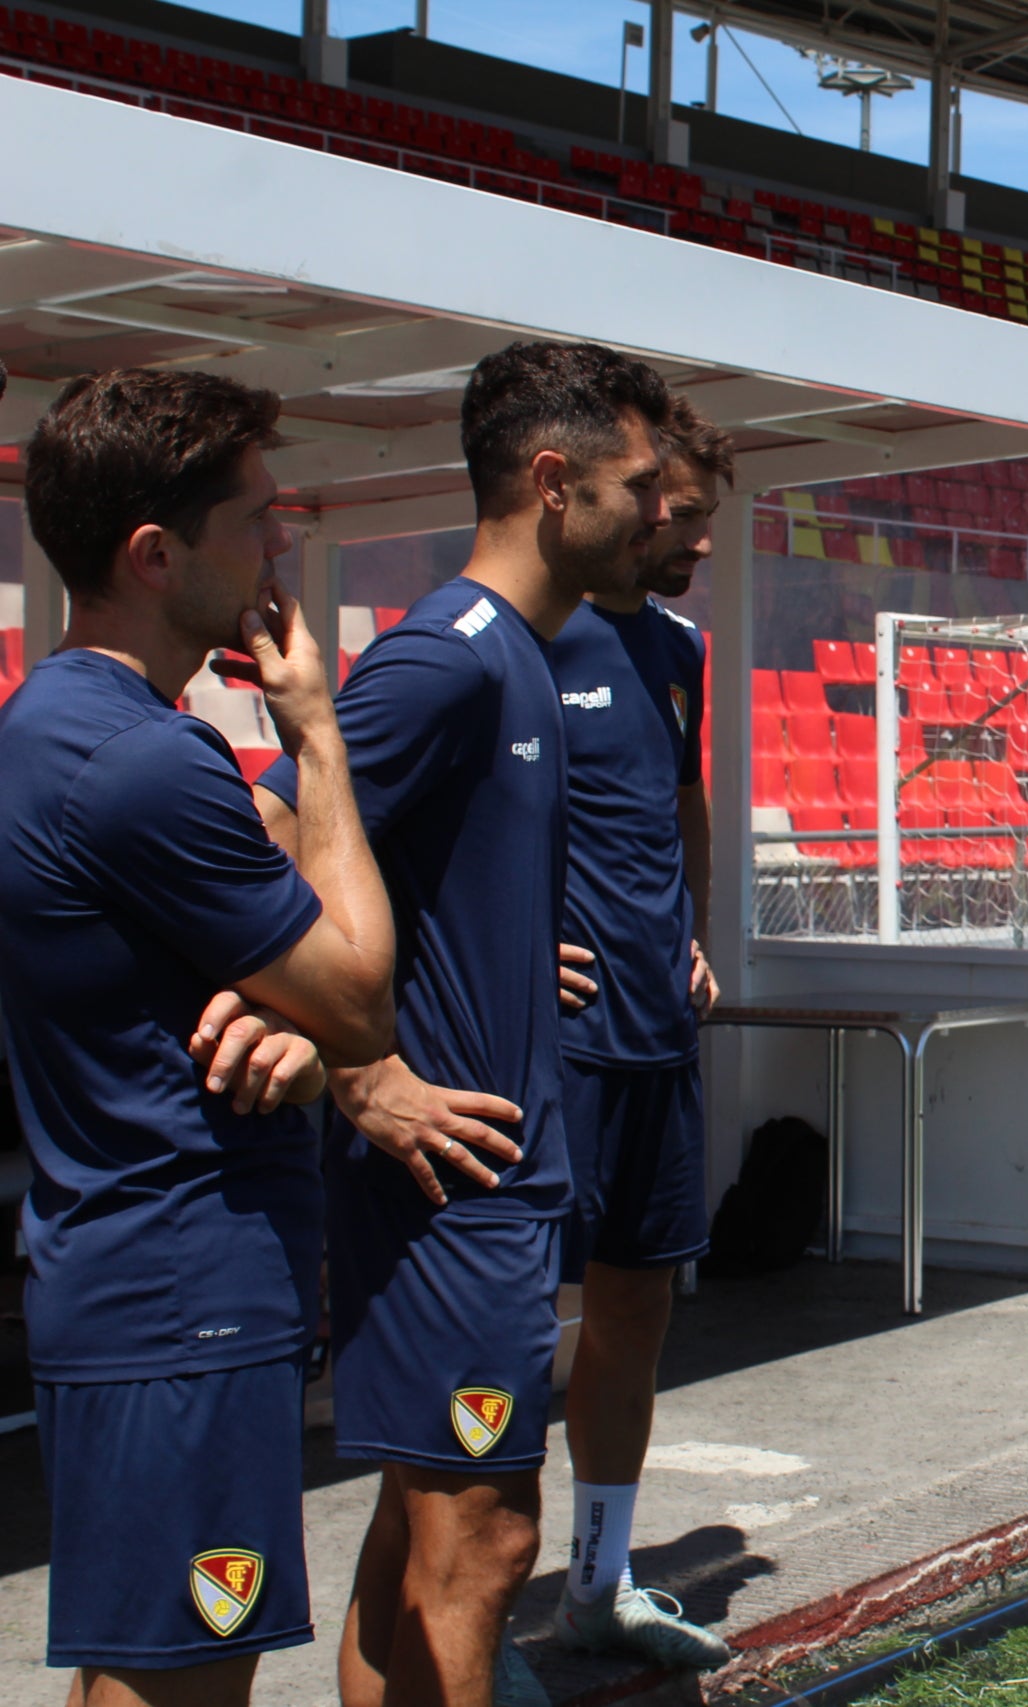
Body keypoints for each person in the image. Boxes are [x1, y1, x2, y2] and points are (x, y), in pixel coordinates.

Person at [256, 341, 671, 1707]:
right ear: (554, 484)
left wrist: (474, 942)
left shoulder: (528, 662)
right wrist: (363, 1062)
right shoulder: (453, 656)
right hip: (449, 1192)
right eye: (640, 485)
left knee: (422, 1533)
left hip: (493, 1177)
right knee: (485, 1539)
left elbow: (378, 856)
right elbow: (266, 818)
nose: (662, 511)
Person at [0, 370, 394, 1704]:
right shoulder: (144, 760)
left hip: (130, 1267)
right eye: (258, 517)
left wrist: (287, 1019)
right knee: (186, 1678)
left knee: (151, 1655)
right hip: (184, 1282)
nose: (282, 543)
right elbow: (359, 994)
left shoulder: (52, 728)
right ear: (154, 554)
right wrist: (319, 736)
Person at [543, 395, 729, 1665]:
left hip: (657, 1037)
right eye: (684, 514)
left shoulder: (674, 650)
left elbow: (681, 809)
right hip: (547, 1051)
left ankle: (597, 1581)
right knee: (501, 1328)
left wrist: (692, 936)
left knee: (638, 1315)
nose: (696, 540)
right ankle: (452, 1603)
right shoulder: (512, 642)